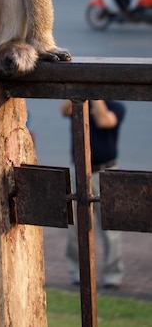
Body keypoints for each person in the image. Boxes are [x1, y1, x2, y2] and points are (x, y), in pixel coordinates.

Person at [60, 99, 126, 289]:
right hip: (79, 170)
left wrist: (96, 98)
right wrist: (78, 92)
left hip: (106, 171)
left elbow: (104, 121)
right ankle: (77, 272)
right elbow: (64, 110)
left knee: (110, 227)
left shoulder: (116, 107)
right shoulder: (80, 102)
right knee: (75, 226)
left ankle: (113, 275)